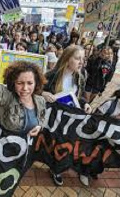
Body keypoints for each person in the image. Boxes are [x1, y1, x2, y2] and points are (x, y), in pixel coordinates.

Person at [0, 21, 47, 136]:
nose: (25, 88)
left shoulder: (40, 101)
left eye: (30, 83)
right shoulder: (7, 98)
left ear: (36, 83)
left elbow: (43, 119)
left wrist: (40, 127)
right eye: (20, 83)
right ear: (13, 82)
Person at [42, 45, 92, 186]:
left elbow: (79, 97)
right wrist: (43, 94)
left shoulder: (80, 77)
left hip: (70, 120)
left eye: (83, 58)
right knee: (51, 144)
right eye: (77, 58)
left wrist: (85, 104)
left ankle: (56, 170)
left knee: (65, 146)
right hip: (53, 119)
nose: (81, 62)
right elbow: (36, 91)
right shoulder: (51, 75)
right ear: (67, 59)